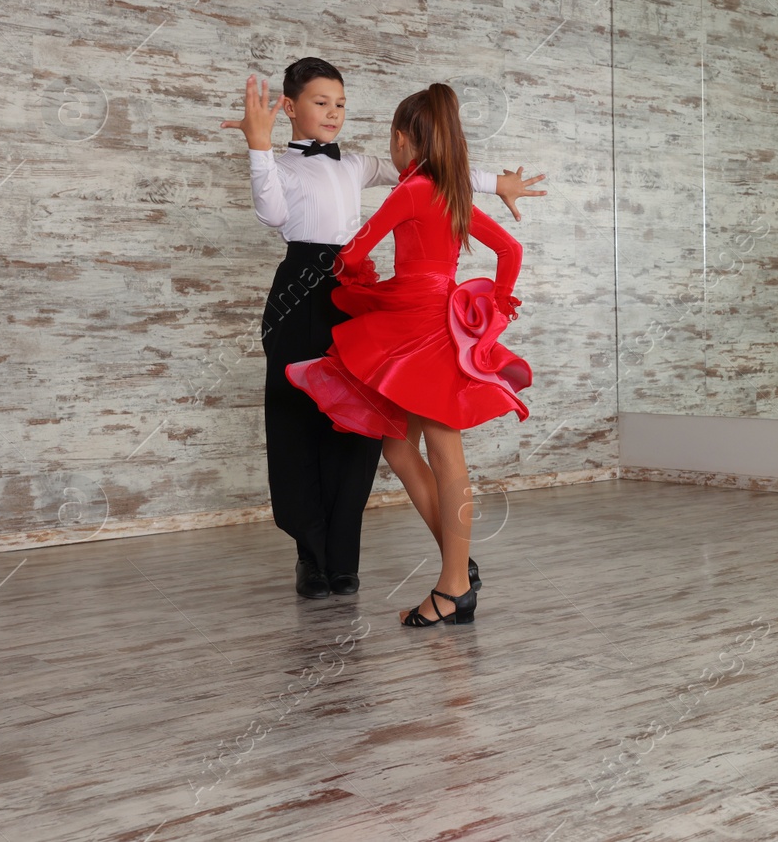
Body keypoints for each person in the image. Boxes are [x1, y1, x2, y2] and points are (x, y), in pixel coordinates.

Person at [222, 58, 544, 601]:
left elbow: (435, 173)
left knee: (361, 431)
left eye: (341, 103)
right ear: (290, 106)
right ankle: (312, 555)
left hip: (360, 290)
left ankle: (346, 558)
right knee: (298, 414)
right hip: (302, 291)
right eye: (320, 102)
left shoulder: (358, 164)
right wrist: (258, 147)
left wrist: (495, 182)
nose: (332, 112)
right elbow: (272, 212)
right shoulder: (279, 167)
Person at [287, 83, 530, 628]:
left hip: (417, 330)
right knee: (398, 446)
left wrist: (353, 274)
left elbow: (354, 249)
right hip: (441, 323)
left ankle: (453, 586)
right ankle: (458, 567)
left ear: (401, 140)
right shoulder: (451, 192)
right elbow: (510, 250)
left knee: (443, 454)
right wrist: (496, 310)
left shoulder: (414, 188)